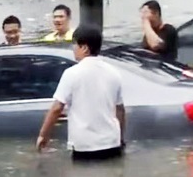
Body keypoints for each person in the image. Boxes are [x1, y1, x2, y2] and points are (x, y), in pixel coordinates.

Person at [36, 24, 126, 160]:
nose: (73, 49)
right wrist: (121, 138)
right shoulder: (114, 73)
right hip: (112, 144)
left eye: (75, 45)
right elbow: (120, 110)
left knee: (82, 174)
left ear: (84, 48)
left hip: (85, 145)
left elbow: (56, 108)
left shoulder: (72, 73)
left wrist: (43, 135)